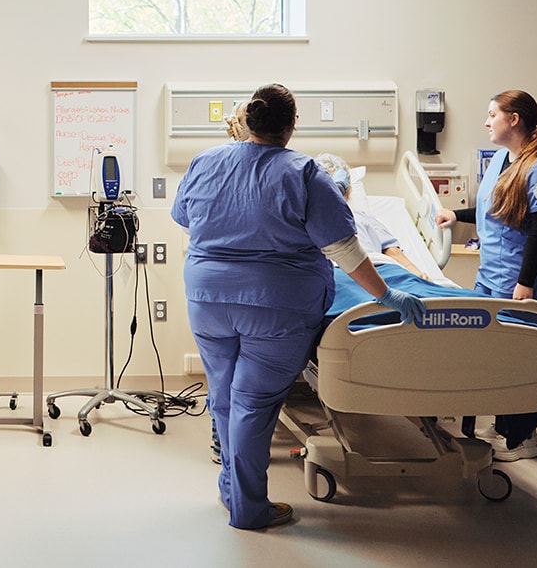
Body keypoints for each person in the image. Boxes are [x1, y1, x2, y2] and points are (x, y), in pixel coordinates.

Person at [171, 84, 427, 530]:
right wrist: (386, 295)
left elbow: (183, 217)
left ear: (248, 121)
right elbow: (344, 249)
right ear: (292, 125)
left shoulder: (205, 161)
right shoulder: (305, 172)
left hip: (208, 299)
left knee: (224, 395)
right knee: (252, 402)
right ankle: (248, 508)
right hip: (276, 304)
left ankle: (232, 490)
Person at [433, 91, 537, 461]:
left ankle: (520, 437)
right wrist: (457, 215)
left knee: (526, 361)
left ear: (514, 119)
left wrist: (525, 283)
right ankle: (507, 426)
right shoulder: (502, 159)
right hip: (493, 277)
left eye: (492, 114)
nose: (486, 122)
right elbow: (497, 209)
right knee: (499, 358)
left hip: (525, 282)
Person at [312, 153, 431, 279]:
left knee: (427, 288)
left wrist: (416, 273)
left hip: (378, 269)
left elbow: (391, 250)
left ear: (348, 192)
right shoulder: (304, 219)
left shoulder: (362, 218)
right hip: (335, 273)